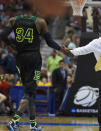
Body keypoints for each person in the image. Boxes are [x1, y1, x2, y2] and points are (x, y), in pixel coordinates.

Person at [0, 1, 64, 131]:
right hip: (33, 58)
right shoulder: (39, 22)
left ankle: (33, 124)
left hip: (20, 58)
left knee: (29, 92)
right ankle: (15, 121)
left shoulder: (13, 20)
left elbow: (2, 35)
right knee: (30, 92)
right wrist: (61, 49)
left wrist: (12, 45)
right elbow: (50, 42)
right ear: (34, 8)